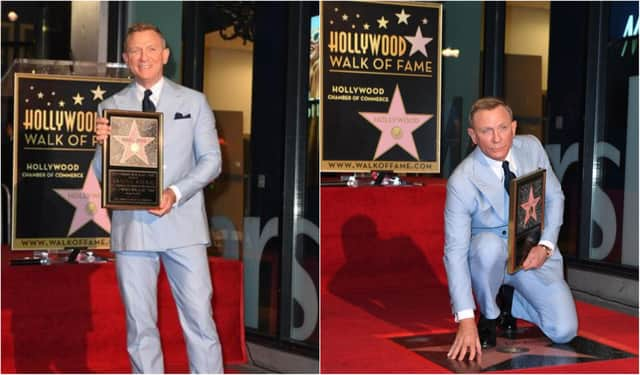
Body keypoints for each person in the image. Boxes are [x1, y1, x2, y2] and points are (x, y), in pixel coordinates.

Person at [92, 23, 224, 373]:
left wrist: (174, 192)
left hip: (183, 226)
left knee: (199, 318)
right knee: (140, 325)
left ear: (165, 55)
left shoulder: (194, 101)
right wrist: (102, 147)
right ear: (126, 59)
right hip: (132, 228)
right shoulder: (111, 107)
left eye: (151, 49)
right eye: (135, 50)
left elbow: (212, 161)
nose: (143, 57)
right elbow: (102, 175)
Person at [443, 97, 578, 361]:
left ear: (514, 128)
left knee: (564, 331)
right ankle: (490, 313)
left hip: (531, 254)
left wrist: (546, 246)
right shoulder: (462, 180)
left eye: (502, 128)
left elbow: (554, 198)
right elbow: (455, 252)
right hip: (490, 259)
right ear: (473, 135)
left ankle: (511, 299)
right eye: (486, 131)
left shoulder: (532, 148)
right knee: (486, 246)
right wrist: (466, 317)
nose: (496, 138)